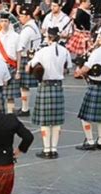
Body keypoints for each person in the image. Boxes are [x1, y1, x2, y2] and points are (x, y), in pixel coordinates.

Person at [27, 27, 72, 159]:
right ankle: (54, 149)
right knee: (56, 122)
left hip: (45, 86)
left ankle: (47, 150)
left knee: (45, 122)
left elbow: (29, 67)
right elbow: (67, 69)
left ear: (49, 37)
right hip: (58, 86)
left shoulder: (42, 51)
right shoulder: (65, 51)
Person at [75, 30, 101, 150]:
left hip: (96, 86)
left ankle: (90, 141)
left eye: (99, 37)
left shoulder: (98, 51)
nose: (97, 39)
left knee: (85, 118)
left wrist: (79, 71)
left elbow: (87, 67)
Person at [15, 5, 41, 117]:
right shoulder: (35, 26)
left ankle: (25, 109)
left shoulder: (27, 30)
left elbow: (20, 49)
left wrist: (17, 68)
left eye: (21, 16)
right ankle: (25, 108)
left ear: (27, 16)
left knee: (24, 86)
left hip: (26, 58)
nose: (20, 18)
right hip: (34, 57)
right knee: (26, 86)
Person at [0, 12, 21, 114]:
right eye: (1, 21)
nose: (4, 23)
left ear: (9, 22)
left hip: (11, 66)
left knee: (10, 96)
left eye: (5, 21)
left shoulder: (16, 36)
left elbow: (18, 54)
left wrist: (18, 70)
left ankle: (10, 115)